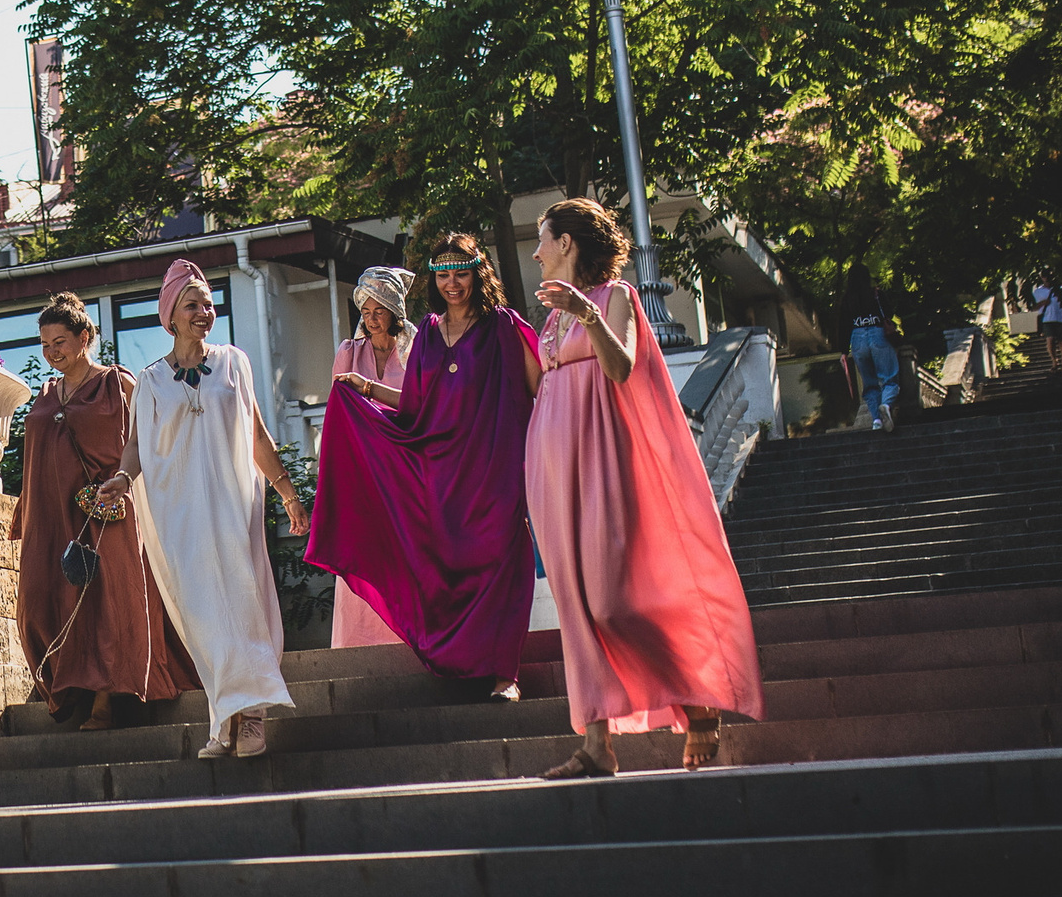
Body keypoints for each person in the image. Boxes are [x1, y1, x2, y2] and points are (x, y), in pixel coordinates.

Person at [526, 199, 764, 779]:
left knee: (610, 600)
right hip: (552, 471)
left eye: (543, 239)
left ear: (569, 244)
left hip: (604, 460)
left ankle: (697, 696)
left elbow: (621, 367)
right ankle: (596, 744)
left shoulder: (614, 298)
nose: (535, 252)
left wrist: (587, 314)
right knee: (578, 610)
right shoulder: (548, 316)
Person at [305, 236, 538, 699]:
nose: (453, 283)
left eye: (462, 273)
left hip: (495, 468)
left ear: (479, 274)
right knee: (447, 564)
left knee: (500, 562)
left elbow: (541, 389)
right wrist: (364, 389)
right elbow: (415, 404)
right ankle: (459, 661)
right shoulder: (429, 332)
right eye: (444, 274)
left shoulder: (504, 327)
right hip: (444, 470)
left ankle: (504, 674)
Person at [95, 259, 299, 759]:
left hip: (234, 505)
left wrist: (288, 493)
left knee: (245, 601)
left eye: (208, 303)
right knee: (203, 614)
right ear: (170, 315)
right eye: (193, 305)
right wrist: (122, 478)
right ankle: (223, 714)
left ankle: (252, 716)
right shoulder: (150, 380)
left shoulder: (233, 362)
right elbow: (136, 446)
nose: (204, 312)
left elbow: (254, 434)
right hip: (180, 513)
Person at [11, 293, 199, 729]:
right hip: (51, 517)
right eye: (45, 344)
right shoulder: (44, 394)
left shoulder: (118, 383)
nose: (52, 351)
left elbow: (153, 440)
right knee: (38, 605)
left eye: (60, 341)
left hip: (106, 511)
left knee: (105, 603)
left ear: (85, 337)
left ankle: (103, 701)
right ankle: (68, 686)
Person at [321, 266, 415, 649]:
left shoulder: (417, 350)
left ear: (395, 310)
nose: (371, 318)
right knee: (362, 547)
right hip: (362, 468)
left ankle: (407, 638)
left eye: (379, 310)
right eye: (365, 310)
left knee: (405, 551)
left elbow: (425, 407)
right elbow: (337, 413)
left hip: (405, 466)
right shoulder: (349, 352)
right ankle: (359, 645)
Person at [842, 264, 904, 432]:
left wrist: (843, 351)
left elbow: (844, 325)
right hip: (878, 335)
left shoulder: (847, 298)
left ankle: (876, 419)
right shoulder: (876, 293)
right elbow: (889, 313)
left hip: (857, 338)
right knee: (889, 377)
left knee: (869, 383)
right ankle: (886, 404)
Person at [1032, 278, 1062, 375]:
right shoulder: (1038, 291)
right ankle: (1054, 361)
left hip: (1061, 319)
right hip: (1047, 319)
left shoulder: (1060, 289)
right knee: (1050, 341)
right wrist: (1043, 303)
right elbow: (1033, 307)